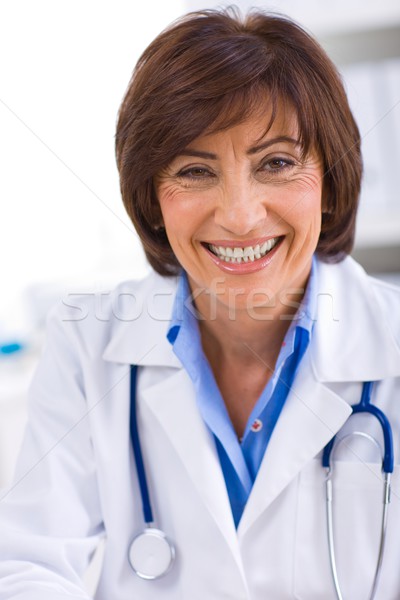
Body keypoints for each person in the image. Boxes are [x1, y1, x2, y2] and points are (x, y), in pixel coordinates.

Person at [0, 7, 399, 600]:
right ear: (151, 198)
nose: (239, 215)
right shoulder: (85, 346)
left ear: (331, 181)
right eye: (194, 170)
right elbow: (28, 568)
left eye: (278, 163)